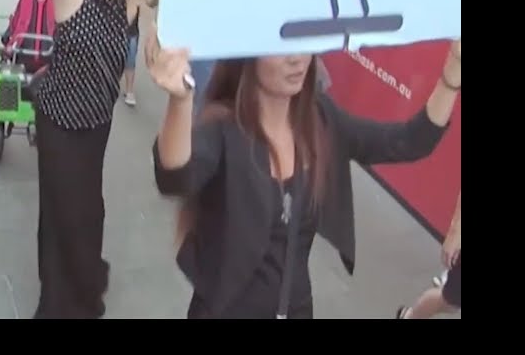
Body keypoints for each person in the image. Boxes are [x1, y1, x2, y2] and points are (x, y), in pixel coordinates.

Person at [145, 39, 462, 318]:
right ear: (247, 53)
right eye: (280, 48)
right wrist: (180, 100)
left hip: (295, 308)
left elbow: (408, 142)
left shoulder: (321, 119)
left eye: (302, 44)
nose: (296, 58)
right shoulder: (222, 128)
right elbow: (175, 177)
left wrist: (451, 75)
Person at [0, 0, 136, 318]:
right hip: (59, 122)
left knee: (89, 209)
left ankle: (85, 278)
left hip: (96, 124)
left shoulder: (128, 4)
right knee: (62, 211)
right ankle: (57, 300)